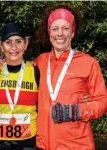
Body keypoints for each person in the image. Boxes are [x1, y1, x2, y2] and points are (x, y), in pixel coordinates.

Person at [35, 5, 107, 150]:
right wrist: (3, 61)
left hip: (76, 145)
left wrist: (77, 111)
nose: (60, 33)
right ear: (49, 32)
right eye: (55, 28)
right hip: (42, 144)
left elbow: (102, 102)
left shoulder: (89, 63)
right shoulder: (40, 61)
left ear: (72, 32)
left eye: (65, 28)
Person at [0, 22, 39, 150]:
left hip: (28, 140)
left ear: (26, 44)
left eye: (18, 41)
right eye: (8, 42)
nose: (14, 47)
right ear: (1, 46)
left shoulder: (37, 71)